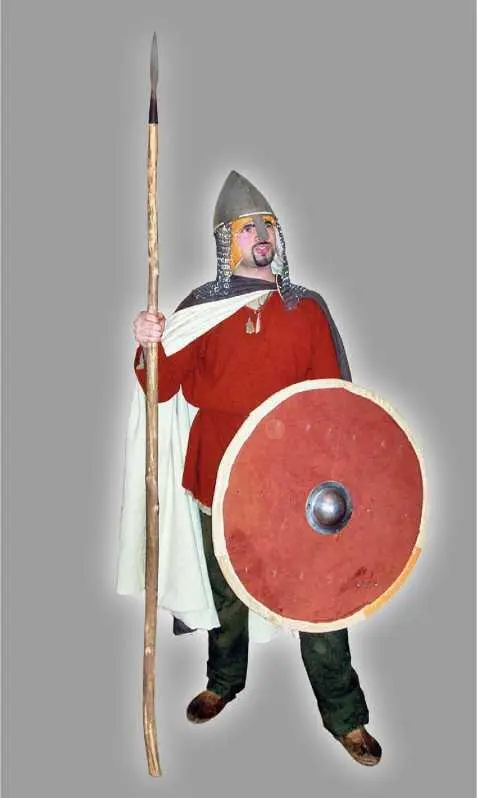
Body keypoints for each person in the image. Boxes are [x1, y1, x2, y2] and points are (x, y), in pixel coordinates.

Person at [131, 170, 382, 767]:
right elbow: (160, 387)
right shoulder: (200, 310)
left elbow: (331, 398)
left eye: (267, 224)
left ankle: (344, 714)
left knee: (316, 595)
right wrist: (148, 342)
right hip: (218, 474)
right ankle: (224, 681)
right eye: (246, 228)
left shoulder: (306, 309)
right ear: (225, 240)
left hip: (295, 483)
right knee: (227, 593)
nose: (260, 235)